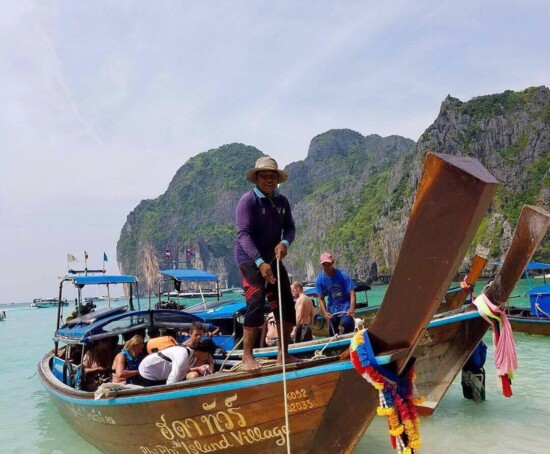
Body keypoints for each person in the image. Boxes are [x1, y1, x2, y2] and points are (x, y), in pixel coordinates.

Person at [234, 156, 298, 371]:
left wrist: (284, 242)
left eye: (273, 176)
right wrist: (259, 262)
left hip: (273, 257)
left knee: (287, 303)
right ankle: (247, 357)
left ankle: (283, 354)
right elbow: (243, 234)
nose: (269, 179)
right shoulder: (248, 201)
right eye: (265, 176)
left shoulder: (282, 202)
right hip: (249, 259)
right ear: (257, 178)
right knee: (256, 298)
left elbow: (290, 228)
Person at [315, 252, 356, 336]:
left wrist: (351, 309)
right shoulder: (320, 279)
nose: (326, 267)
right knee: (331, 328)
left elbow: (352, 292)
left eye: (328, 264)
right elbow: (321, 298)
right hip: (332, 307)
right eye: (324, 265)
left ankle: (347, 340)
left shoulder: (342, 275)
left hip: (345, 305)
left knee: (348, 323)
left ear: (332, 263)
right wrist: (325, 312)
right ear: (321, 265)